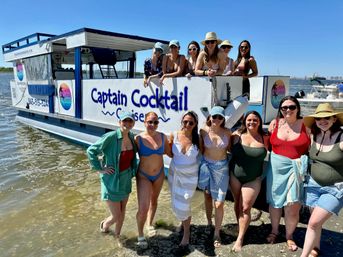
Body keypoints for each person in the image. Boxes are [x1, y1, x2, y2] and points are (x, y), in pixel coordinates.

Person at [266, 96, 311, 252]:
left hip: (295, 169)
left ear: (297, 108)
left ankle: (289, 235)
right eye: (284, 108)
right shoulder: (275, 123)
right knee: (274, 203)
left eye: (291, 107)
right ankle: (274, 230)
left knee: (292, 206)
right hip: (275, 169)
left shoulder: (306, 125)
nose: (288, 110)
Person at [300, 103, 343, 257]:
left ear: (334, 119)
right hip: (312, 184)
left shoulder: (341, 137)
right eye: (319, 118)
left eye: (327, 118)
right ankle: (315, 248)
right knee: (315, 222)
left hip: (335, 189)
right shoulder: (313, 135)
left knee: (312, 223)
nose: (322, 121)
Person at [86, 111, 137, 238]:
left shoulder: (131, 136)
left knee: (122, 211)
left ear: (133, 123)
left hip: (125, 179)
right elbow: (91, 150)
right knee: (116, 215)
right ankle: (105, 225)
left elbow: (132, 158)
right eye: (124, 121)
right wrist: (100, 169)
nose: (127, 123)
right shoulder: (111, 137)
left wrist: (134, 171)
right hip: (111, 180)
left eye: (130, 121)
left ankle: (118, 236)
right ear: (119, 122)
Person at [230, 111, 268, 252]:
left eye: (255, 120)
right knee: (237, 203)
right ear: (244, 121)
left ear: (259, 122)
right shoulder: (236, 136)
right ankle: (240, 225)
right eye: (249, 120)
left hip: (253, 178)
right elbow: (225, 148)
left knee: (245, 207)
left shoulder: (265, 138)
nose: (252, 122)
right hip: (235, 175)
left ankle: (240, 238)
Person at [135, 112, 170, 248]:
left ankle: (149, 224)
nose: (152, 125)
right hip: (143, 175)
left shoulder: (162, 137)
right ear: (144, 122)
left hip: (159, 174)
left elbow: (171, 153)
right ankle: (140, 234)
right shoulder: (138, 138)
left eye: (155, 122)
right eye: (150, 122)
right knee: (143, 207)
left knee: (154, 201)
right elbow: (127, 153)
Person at [198, 106, 231, 247]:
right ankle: (209, 223)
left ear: (223, 119)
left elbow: (231, 148)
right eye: (214, 116)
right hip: (206, 165)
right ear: (210, 117)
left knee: (219, 202)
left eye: (220, 117)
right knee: (207, 195)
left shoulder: (228, 132)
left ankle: (217, 233)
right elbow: (200, 150)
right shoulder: (203, 131)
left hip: (221, 168)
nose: (216, 119)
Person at [167, 111, 200, 254]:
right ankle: (183, 224)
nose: (187, 124)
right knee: (178, 201)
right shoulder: (174, 135)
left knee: (185, 203)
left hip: (191, 176)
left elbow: (203, 153)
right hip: (176, 175)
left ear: (195, 124)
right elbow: (169, 153)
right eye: (185, 121)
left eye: (191, 122)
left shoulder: (198, 138)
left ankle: (186, 234)